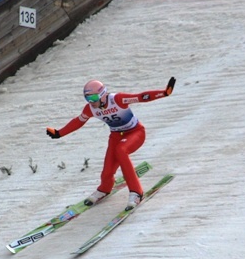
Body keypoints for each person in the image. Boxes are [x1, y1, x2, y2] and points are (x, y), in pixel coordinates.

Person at [46, 77, 176, 211]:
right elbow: (78, 121)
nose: (91, 102)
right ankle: (104, 189)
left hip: (135, 133)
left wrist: (164, 93)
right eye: (87, 99)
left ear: (102, 94)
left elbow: (141, 97)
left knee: (121, 150)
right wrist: (59, 133)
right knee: (107, 170)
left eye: (94, 97)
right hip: (115, 136)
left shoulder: (117, 99)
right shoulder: (90, 108)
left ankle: (136, 192)